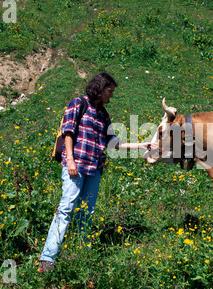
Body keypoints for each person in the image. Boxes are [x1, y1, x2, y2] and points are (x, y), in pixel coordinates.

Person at [39, 72, 156, 271]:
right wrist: (71, 161)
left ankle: (81, 253)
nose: (111, 95)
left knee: (87, 211)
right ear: (99, 88)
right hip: (76, 166)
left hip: (94, 168)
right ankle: (48, 258)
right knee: (66, 207)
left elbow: (113, 143)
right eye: (109, 91)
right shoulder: (78, 104)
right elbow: (68, 132)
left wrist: (141, 145)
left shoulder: (103, 114)